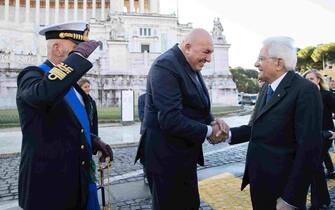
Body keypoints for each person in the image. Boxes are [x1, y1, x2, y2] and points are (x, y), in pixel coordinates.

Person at [16, 22, 113, 210]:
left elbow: (69, 124)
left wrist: (93, 140)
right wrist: (76, 58)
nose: (82, 57)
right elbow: (44, 94)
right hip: (49, 187)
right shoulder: (32, 76)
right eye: (76, 49)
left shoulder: (74, 86)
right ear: (57, 48)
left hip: (78, 182)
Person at [219, 36, 323, 210]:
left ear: (278, 63)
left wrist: (291, 199)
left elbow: (309, 149)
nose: (255, 64)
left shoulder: (306, 90)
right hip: (260, 183)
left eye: (261, 59)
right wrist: (227, 133)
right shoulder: (267, 88)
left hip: (283, 190)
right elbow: (256, 128)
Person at [134, 28, 225, 210]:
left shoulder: (189, 63)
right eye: (206, 52)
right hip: (165, 158)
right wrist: (209, 131)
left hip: (183, 155)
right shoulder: (165, 65)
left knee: (190, 205)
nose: (209, 59)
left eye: (211, 53)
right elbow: (170, 119)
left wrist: (213, 121)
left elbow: (196, 103)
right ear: (188, 47)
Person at [303, 70, 335, 209]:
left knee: (314, 165)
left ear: (318, 80)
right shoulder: (303, 96)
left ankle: (317, 202)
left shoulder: (327, 95)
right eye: (306, 79)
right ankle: (324, 200)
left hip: (325, 135)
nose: (308, 81)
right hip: (309, 136)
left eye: (311, 78)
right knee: (316, 167)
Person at [137, 92, 148, 184]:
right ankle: (146, 175)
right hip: (146, 131)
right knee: (146, 155)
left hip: (160, 132)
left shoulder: (160, 95)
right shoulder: (142, 98)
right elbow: (141, 116)